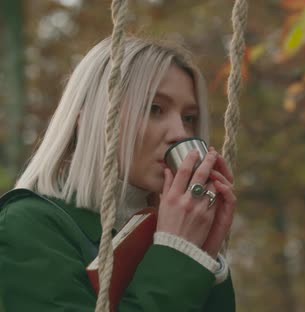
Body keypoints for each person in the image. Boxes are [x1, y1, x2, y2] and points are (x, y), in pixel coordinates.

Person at [0, 36, 236, 311]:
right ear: (92, 119)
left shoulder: (167, 231)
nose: (180, 134)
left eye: (189, 118)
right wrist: (178, 252)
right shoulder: (26, 226)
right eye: (154, 108)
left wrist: (202, 253)